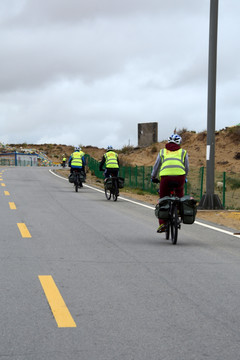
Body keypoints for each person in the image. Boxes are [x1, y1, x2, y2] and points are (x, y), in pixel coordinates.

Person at [151, 134, 189, 233]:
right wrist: (185, 177)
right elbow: (186, 167)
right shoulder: (183, 152)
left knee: (163, 198)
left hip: (165, 177)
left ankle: (163, 224)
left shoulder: (162, 152)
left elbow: (156, 166)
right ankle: (179, 211)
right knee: (180, 195)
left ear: (168, 142)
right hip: (180, 177)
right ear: (179, 142)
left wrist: (153, 176)